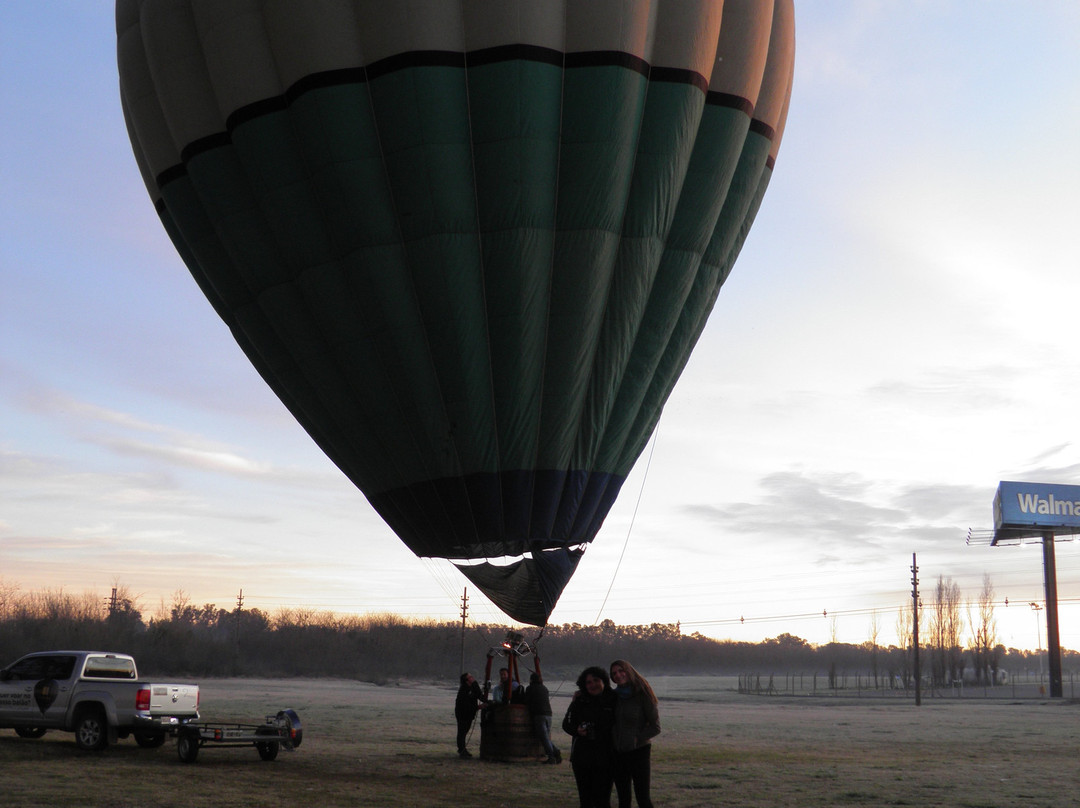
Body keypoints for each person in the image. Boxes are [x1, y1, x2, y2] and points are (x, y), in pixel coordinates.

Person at [562, 666, 616, 808]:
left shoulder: (613, 699)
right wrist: (577, 730)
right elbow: (566, 724)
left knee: (602, 800)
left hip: (606, 758)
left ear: (604, 681)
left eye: (596, 680)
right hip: (582, 758)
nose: (592, 685)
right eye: (588, 682)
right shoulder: (580, 701)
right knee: (585, 800)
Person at [609, 659, 660, 808]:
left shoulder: (643, 694)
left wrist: (636, 739)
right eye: (614, 673)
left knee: (643, 798)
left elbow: (655, 727)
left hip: (639, 751)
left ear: (628, 670)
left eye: (621, 670)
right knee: (623, 800)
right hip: (618, 753)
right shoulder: (614, 696)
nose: (618, 675)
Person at [526, 671, 562, 764]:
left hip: (539, 714)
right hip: (548, 714)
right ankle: (555, 752)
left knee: (544, 737)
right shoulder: (544, 688)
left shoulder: (530, 688)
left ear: (531, 680)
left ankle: (551, 756)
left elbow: (527, 701)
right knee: (545, 736)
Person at [454, 672, 484, 758]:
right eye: (470, 677)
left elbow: (479, 695)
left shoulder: (474, 685)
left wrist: (486, 701)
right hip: (462, 713)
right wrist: (478, 707)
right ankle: (462, 750)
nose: (472, 678)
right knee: (462, 732)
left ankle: (462, 749)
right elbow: (465, 706)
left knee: (465, 731)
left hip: (470, 713)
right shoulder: (463, 691)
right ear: (467, 681)